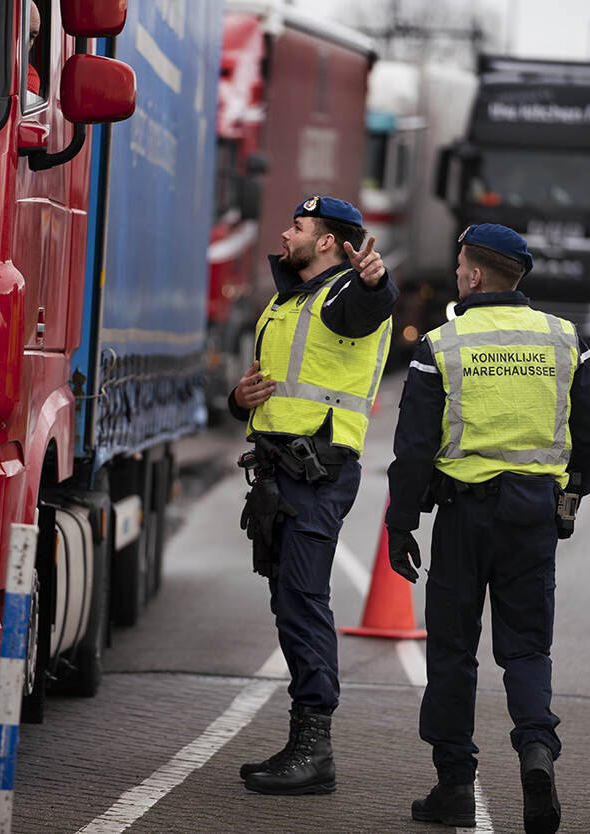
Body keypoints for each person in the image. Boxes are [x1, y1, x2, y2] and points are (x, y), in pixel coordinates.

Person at [385, 224, 590, 833]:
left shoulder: (442, 344)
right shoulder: (563, 339)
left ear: (476, 275)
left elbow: (412, 451)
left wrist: (401, 524)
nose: (458, 273)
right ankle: (536, 752)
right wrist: (571, 490)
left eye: (461, 264)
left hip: (464, 518)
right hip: (532, 516)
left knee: (454, 651)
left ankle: (455, 786)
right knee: (526, 648)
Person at [230, 195, 398, 795]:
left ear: (326, 241)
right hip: (279, 471)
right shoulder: (285, 301)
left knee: (303, 597)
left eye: (297, 226)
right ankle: (303, 743)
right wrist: (239, 400)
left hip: (318, 472)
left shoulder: (342, 296)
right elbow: (269, 390)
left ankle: (314, 749)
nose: (285, 232)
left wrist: (376, 281)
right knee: (289, 601)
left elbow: (368, 306)